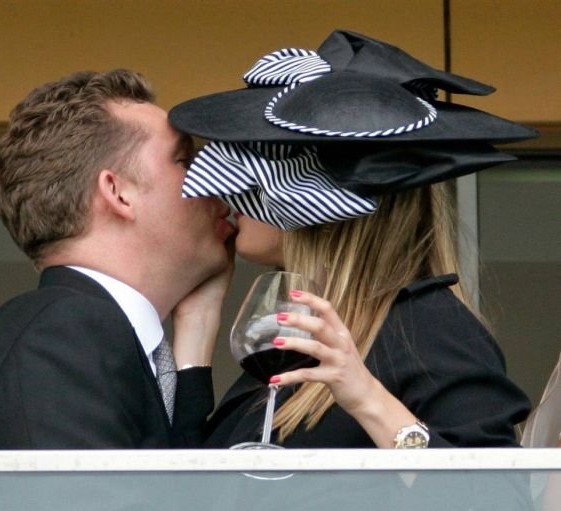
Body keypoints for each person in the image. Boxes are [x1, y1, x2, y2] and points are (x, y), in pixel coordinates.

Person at [168, 30, 536, 449]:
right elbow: (194, 494)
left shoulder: (428, 329)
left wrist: (368, 399)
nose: (224, 192)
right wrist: (196, 332)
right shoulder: (305, 338)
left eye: (255, 166)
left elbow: (490, 506)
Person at [0, 69, 235, 449]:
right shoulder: (69, 329)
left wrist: (197, 328)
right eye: (185, 160)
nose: (216, 180)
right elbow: (86, 509)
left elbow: (169, 498)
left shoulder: (73, 328)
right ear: (117, 192)